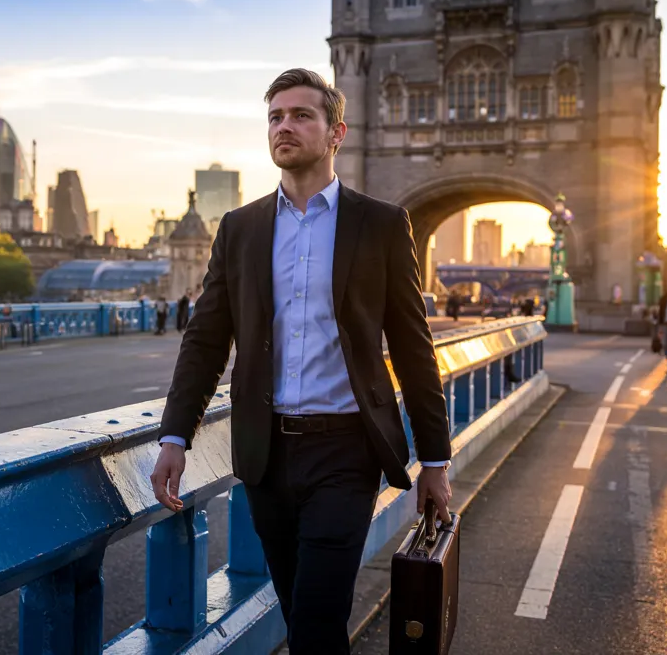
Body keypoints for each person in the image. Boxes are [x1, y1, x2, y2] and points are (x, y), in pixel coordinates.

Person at [150, 69, 452, 654]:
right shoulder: (240, 228)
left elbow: (414, 348)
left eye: (300, 115)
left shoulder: (382, 224)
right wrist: (175, 437)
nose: (284, 126)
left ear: (336, 132)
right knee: (302, 616)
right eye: (275, 117)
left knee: (314, 623)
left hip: (346, 451)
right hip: (266, 454)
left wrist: (435, 460)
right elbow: (206, 341)